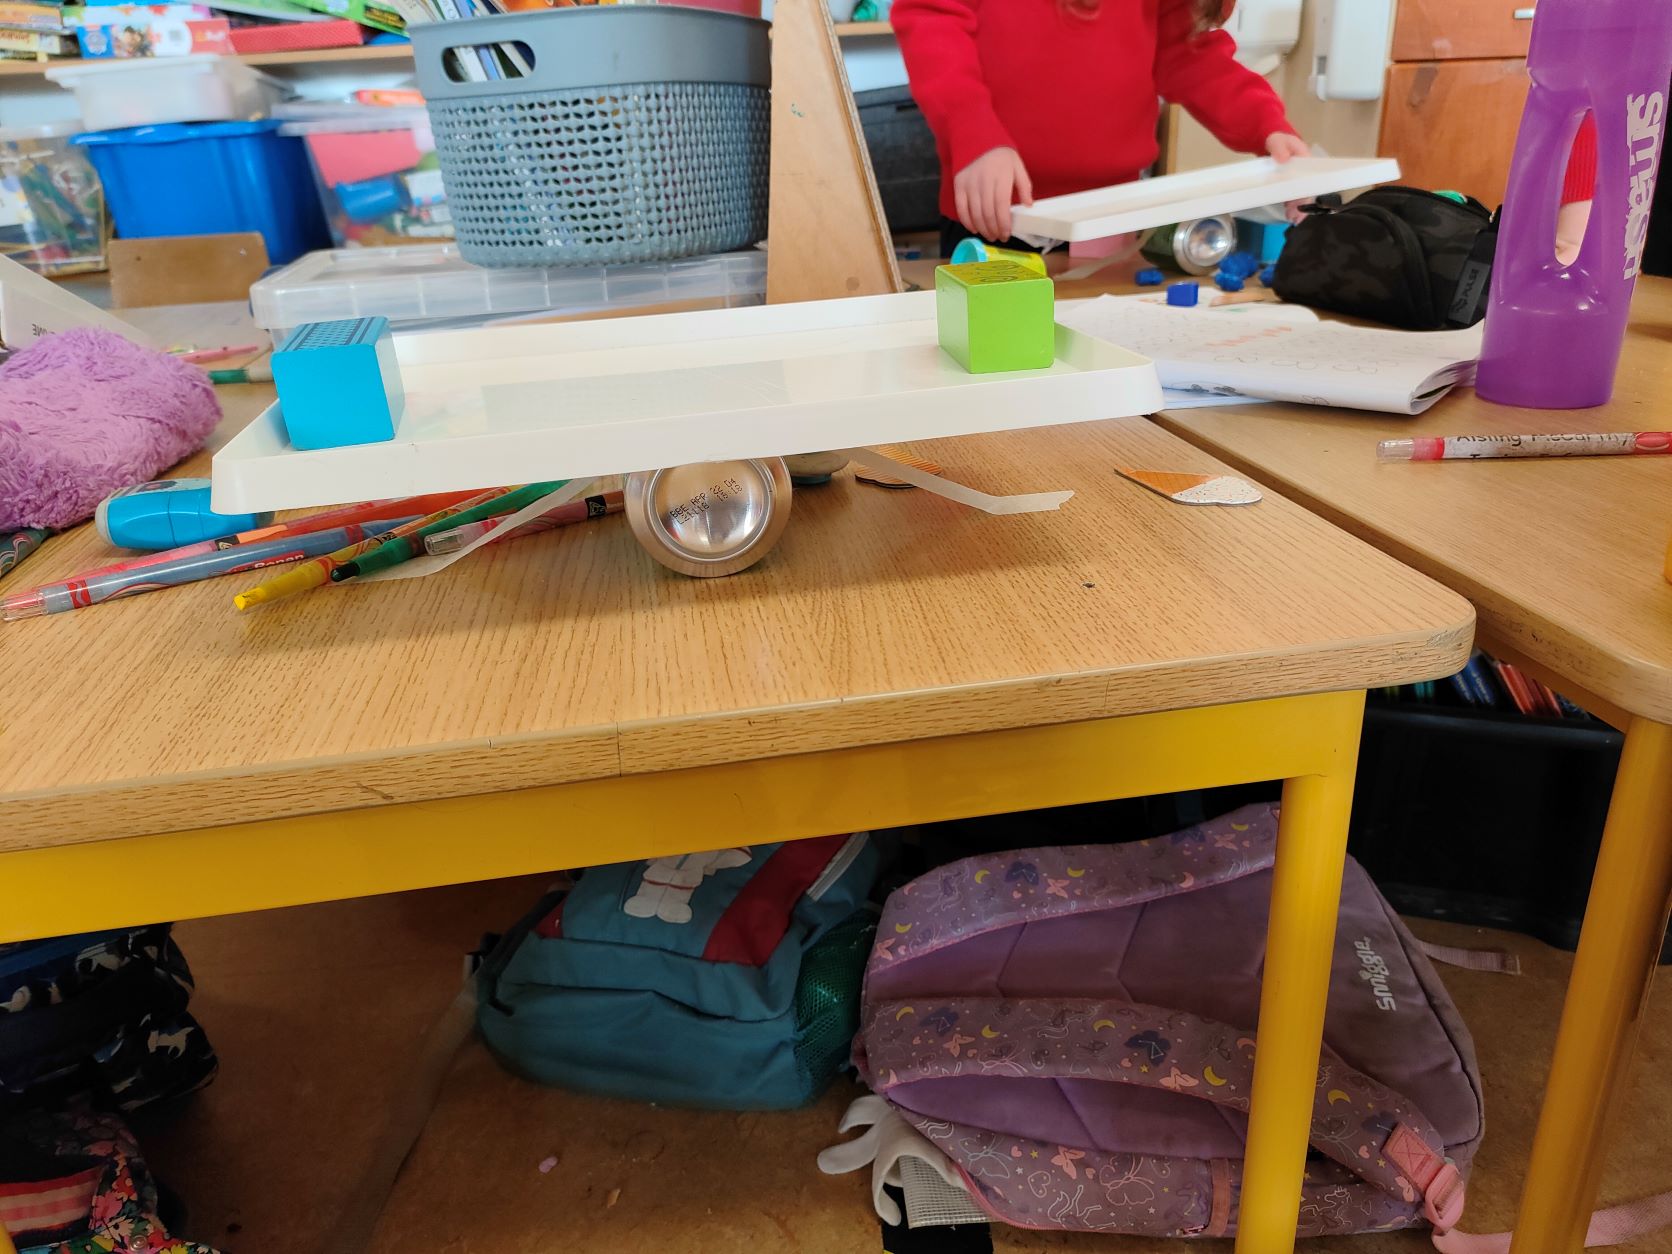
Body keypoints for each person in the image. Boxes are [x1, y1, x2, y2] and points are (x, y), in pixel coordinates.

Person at [891, 0, 1309, 254]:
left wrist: (1268, 129)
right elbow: (932, 23)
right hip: (996, 215)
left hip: (1109, 216)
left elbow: (1191, 56)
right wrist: (975, 134)